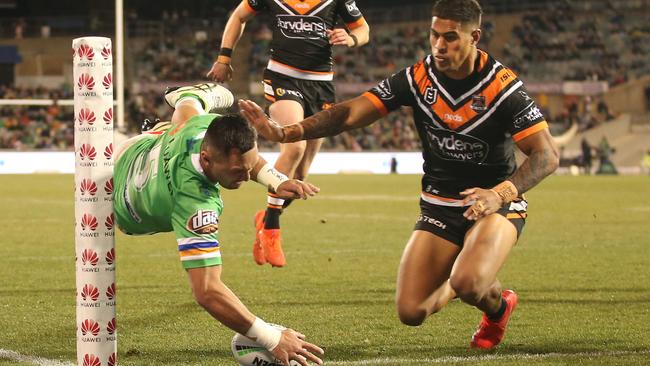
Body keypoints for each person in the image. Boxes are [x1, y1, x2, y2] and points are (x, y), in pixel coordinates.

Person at [239, 0, 559, 349]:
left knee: (470, 283)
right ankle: (469, 284)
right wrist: (287, 133)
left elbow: (546, 156)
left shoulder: (503, 87)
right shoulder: (416, 78)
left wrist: (500, 193)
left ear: (475, 37)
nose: (439, 45)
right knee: (411, 311)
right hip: (439, 206)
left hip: (495, 204)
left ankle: (495, 309)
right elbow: (349, 114)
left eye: (450, 37)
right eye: (434, 35)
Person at [113, 83, 323, 366]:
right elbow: (207, 291)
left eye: (249, 167)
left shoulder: (208, 130)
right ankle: (185, 102)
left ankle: (190, 97)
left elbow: (247, 159)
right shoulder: (196, 203)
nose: (246, 175)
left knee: (187, 116)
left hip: (139, 149)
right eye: (239, 172)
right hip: (121, 206)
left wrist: (276, 180)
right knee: (184, 120)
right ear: (206, 158)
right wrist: (271, 338)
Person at [207, 0, 370, 268]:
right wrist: (224, 58)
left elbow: (363, 29)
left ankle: (265, 216)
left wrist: (351, 38)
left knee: (300, 176)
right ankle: (271, 228)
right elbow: (238, 16)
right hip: (282, 78)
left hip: (321, 86)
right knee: (293, 147)